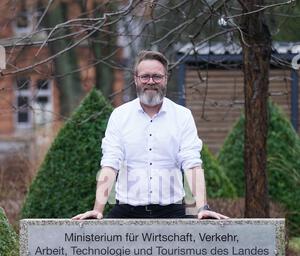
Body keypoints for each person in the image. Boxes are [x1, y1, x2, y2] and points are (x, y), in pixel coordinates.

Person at [73, 50, 228, 220]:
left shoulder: (183, 116)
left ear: (166, 79)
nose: (151, 82)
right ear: (136, 79)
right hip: (126, 211)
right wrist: (98, 209)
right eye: (145, 77)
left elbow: (192, 164)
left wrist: (202, 208)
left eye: (157, 76)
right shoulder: (119, 116)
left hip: (173, 211)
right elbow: (110, 163)